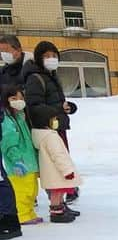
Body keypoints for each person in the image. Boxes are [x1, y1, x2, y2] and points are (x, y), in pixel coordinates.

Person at [24, 40, 79, 206]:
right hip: (47, 130)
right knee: (56, 167)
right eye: (47, 56)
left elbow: (54, 101)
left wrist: (69, 107)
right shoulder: (35, 78)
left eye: (54, 55)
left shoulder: (51, 76)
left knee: (62, 164)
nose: (51, 59)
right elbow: (34, 106)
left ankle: (60, 203)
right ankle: (57, 206)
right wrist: (57, 109)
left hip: (57, 127)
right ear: (39, 58)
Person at [28, 105, 80, 223]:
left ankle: (59, 210)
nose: (56, 121)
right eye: (54, 119)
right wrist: (67, 171)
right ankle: (56, 213)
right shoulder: (50, 137)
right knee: (57, 193)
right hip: (57, 172)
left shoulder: (40, 135)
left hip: (51, 171)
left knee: (57, 192)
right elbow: (59, 155)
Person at [1, 85, 42, 225]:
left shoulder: (20, 116)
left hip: (29, 161)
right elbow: (8, 143)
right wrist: (16, 160)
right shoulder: (7, 120)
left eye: (20, 97)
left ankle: (30, 212)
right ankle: (22, 215)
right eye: (14, 98)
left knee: (32, 190)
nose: (19, 100)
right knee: (22, 191)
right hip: (18, 163)